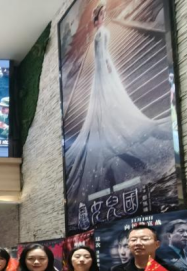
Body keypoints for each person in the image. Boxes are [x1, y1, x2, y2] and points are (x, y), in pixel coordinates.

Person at [64, 3, 172, 231]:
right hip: (104, 70)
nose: (102, 18)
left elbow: (101, 55)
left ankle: (111, 128)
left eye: (103, 15)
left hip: (102, 71)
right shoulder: (101, 33)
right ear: (97, 20)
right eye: (100, 16)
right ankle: (113, 129)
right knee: (109, 101)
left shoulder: (99, 33)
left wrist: (106, 68)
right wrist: (108, 69)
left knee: (107, 102)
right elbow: (102, 56)